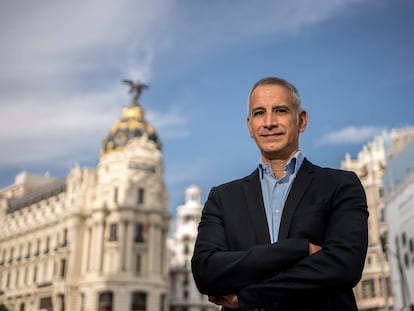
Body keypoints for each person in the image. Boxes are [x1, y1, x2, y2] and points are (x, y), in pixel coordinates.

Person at [191, 77, 369, 311]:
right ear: (249, 127)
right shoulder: (222, 199)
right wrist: (299, 249)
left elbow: (344, 266)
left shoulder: (341, 185)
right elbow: (206, 272)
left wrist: (250, 296)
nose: (269, 122)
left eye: (280, 110)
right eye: (259, 113)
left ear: (301, 120)